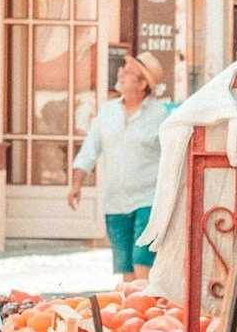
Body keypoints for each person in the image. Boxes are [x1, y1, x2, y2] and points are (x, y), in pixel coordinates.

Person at [67, 53, 171, 282]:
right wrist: (76, 184)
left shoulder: (160, 115)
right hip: (114, 203)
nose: (121, 73)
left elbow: (172, 159)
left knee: (142, 264)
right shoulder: (107, 112)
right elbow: (89, 150)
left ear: (143, 84)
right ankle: (136, 314)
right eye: (123, 68)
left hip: (148, 201)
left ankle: (152, 314)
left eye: (129, 71)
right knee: (127, 273)